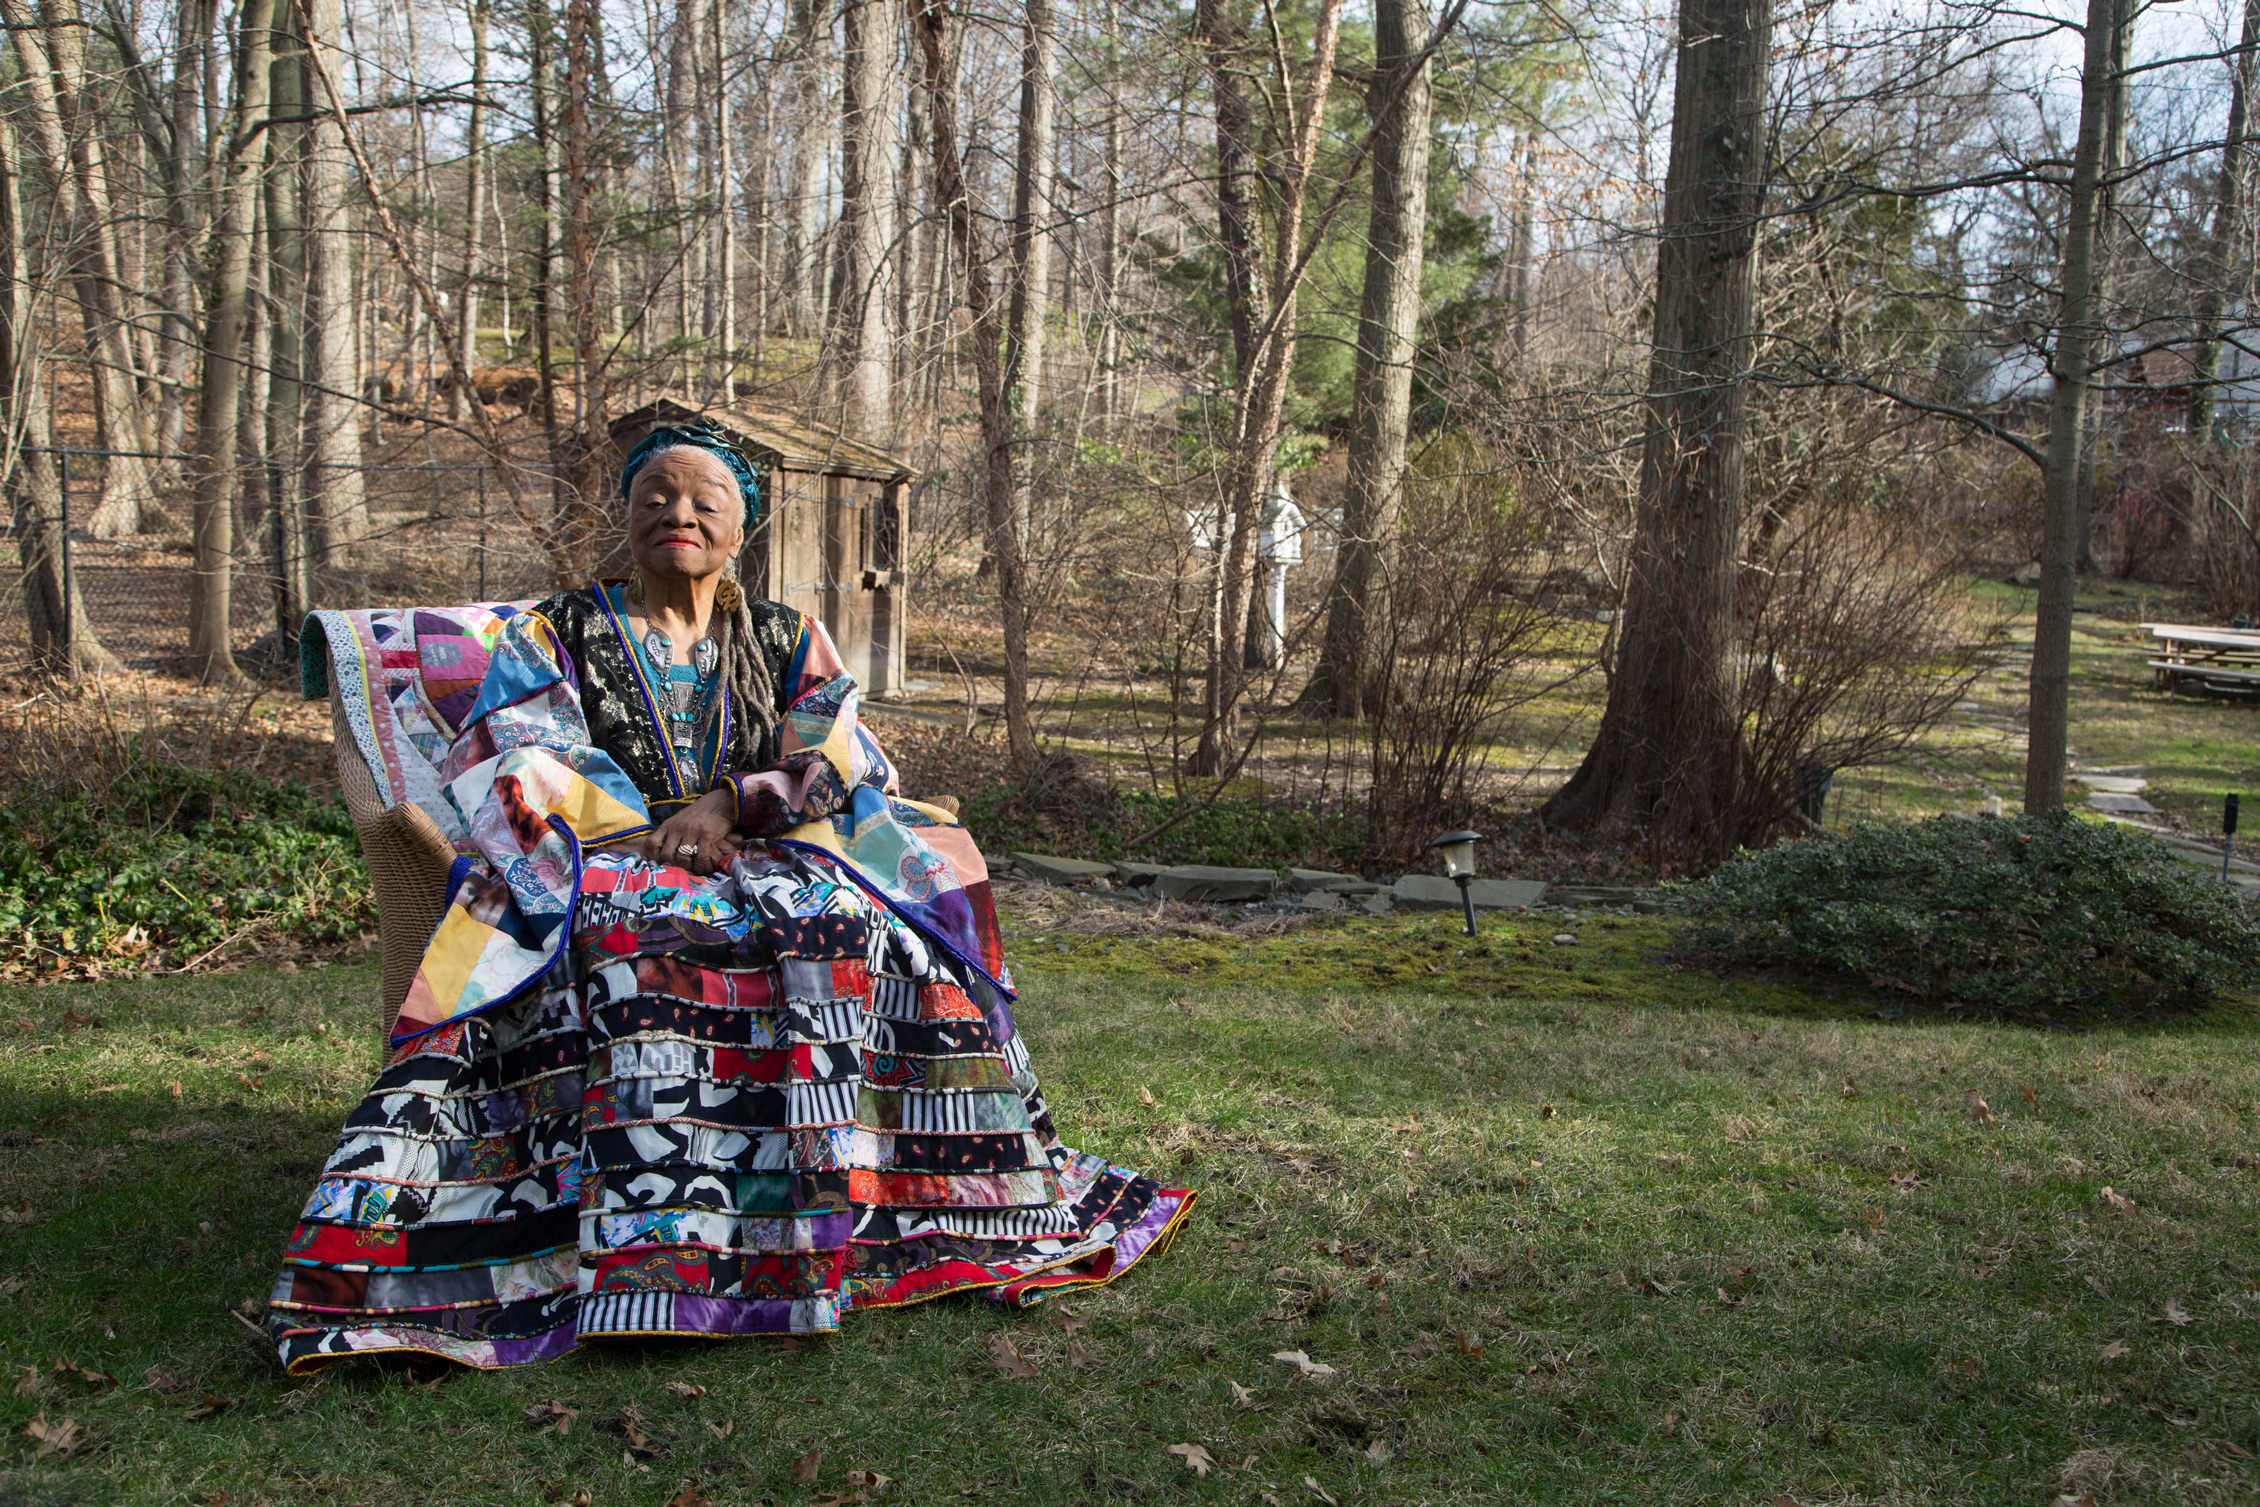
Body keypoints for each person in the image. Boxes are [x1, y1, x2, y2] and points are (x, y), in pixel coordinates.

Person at [266, 425, 1194, 1372]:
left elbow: (838, 751)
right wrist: (640, 831)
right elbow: (516, 744)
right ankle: (650, 1242)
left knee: (854, 926)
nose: (679, 514)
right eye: (655, 497)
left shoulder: (789, 635)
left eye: (704, 501)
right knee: (640, 939)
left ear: (738, 528)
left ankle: (863, 1201)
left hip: (767, 839)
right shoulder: (559, 628)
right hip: (602, 850)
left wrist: (731, 804)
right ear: (625, 517)